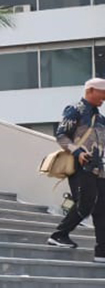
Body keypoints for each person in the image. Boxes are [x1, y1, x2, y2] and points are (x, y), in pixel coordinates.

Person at [48, 78, 105, 261]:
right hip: (81, 166)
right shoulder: (75, 110)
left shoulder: (101, 118)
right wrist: (78, 152)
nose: (104, 97)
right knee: (86, 203)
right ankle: (59, 235)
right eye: (102, 92)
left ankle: (102, 250)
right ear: (90, 90)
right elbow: (61, 135)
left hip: (99, 168)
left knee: (102, 209)